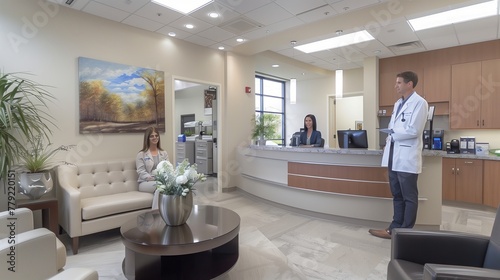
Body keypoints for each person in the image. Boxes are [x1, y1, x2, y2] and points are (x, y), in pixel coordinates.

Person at [369, 71, 428, 239]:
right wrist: (391, 135)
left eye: (399, 83)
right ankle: (393, 229)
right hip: (393, 155)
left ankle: (406, 233)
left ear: (409, 84)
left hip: (407, 156)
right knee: (397, 194)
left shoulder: (420, 103)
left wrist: (392, 134)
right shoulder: (397, 104)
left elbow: (414, 130)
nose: (396, 86)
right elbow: (394, 126)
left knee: (409, 196)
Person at [136, 126, 169, 209]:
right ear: (147, 138)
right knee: (160, 187)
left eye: (156, 135)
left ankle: (165, 214)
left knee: (162, 188)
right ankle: (156, 214)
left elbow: (168, 168)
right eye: (152, 136)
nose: (155, 137)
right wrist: (152, 178)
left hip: (160, 181)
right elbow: (141, 171)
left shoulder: (163, 153)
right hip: (145, 183)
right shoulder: (141, 154)